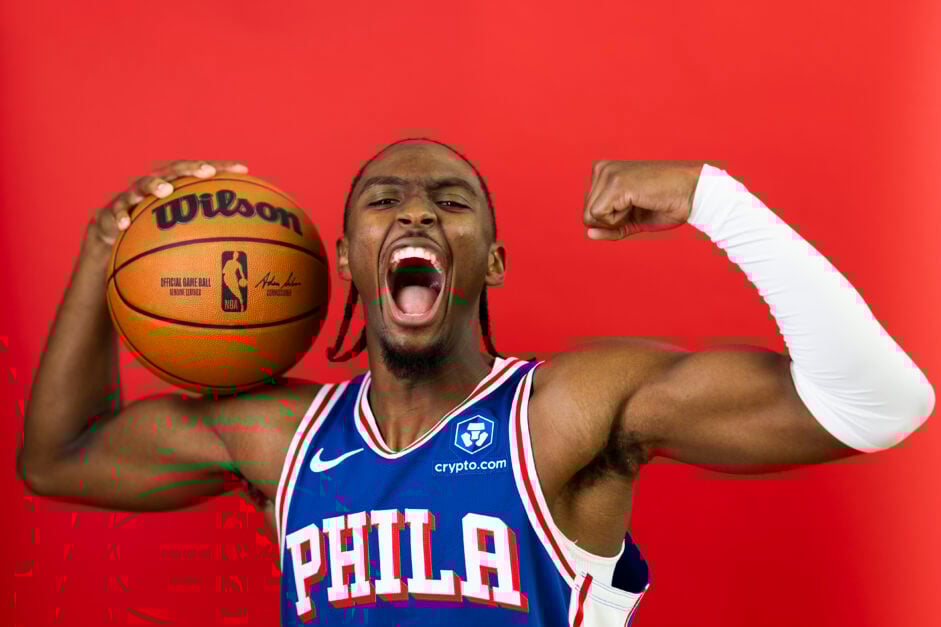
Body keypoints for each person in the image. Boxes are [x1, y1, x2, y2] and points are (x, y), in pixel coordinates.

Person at [17, 140, 935, 626]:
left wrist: (712, 198)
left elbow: (882, 404)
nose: (415, 207)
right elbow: (59, 458)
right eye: (385, 199)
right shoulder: (279, 437)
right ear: (344, 259)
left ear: (488, 262)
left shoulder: (567, 411)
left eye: (449, 201)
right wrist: (106, 255)